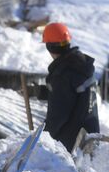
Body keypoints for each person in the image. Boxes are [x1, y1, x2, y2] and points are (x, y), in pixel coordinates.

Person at [29, 22, 99, 152]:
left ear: (49, 46)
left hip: (70, 144)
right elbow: (71, 95)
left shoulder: (63, 74)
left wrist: (44, 138)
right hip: (90, 136)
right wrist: (38, 91)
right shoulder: (81, 66)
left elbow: (58, 114)